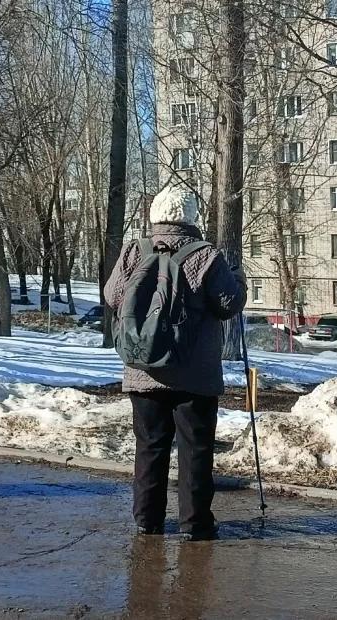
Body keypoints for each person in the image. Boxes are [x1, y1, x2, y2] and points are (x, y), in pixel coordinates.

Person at [104, 185, 247, 541]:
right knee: (195, 449)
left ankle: (147, 520)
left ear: (155, 215)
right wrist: (239, 279)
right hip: (193, 376)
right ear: (191, 217)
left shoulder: (135, 250)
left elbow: (111, 296)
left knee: (150, 446)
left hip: (143, 369)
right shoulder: (206, 256)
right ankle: (195, 522)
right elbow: (228, 304)